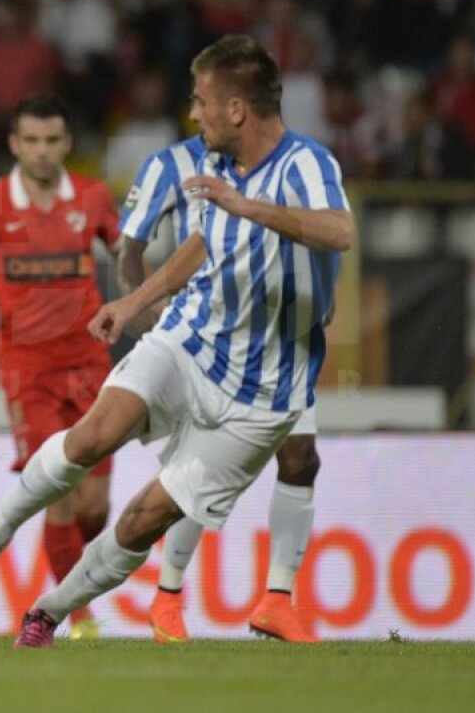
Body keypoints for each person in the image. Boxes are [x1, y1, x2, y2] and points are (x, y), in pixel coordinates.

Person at [0, 35, 352, 648]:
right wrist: (132, 302)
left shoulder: (306, 164)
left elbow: (339, 231)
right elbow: (200, 247)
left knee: (144, 517)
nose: (193, 114)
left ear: (236, 110)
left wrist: (249, 207)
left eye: (201, 102)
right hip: (192, 341)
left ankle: (49, 610)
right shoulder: (218, 168)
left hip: (266, 394)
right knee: (95, 434)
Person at [120, 134, 323, 643]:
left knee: (301, 458)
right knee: (202, 469)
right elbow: (131, 249)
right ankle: (166, 598)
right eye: (198, 99)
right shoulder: (168, 164)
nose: (200, 110)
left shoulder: (294, 165)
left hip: (282, 337)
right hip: (212, 340)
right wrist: (148, 316)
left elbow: (317, 238)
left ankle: (278, 600)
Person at [0, 93, 120, 639]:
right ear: (16, 144)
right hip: (28, 369)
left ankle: (75, 582)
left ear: (65, 144)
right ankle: (74, 614)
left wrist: (141, 301)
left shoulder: (92, 197)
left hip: (90, 361)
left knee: (97, 502)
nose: (42, 151)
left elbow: (129, 258)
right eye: (32, 141)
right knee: (59, 491)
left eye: (52, 141)